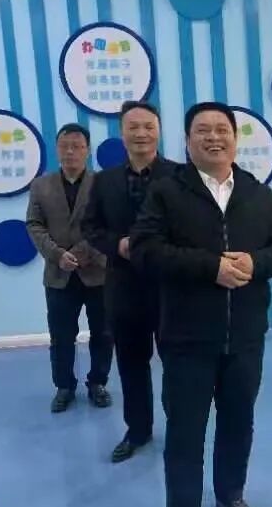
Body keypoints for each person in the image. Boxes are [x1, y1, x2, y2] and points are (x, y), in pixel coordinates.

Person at [130, 102, 272, 507]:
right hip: (186, 341)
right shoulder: (166, 192)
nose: (213, 137)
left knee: (238, 425)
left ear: (235, 139)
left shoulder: (257, 193)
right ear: (187, 141)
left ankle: (231, 494)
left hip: (245, 340)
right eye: (202, 130)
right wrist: (211, 267)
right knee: (184, 433)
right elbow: (144, 249)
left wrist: (255, 263)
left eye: (222, 130)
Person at [81, 101, 177, 462]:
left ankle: (180, 429)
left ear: (159, 131)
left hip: (171, 288)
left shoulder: (180, 176)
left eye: (148, 126)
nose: (141, 133)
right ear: (121, 133)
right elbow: (91, 227)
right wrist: (116, 244)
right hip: (124, 288)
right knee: (132, 365)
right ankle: (137, 431)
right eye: (133, 127)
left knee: (177, 364)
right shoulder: (104, 180)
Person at [26, 124, 113, 413]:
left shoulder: (103, 184)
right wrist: (57, 254)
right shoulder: (41, 186)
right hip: (58, 274)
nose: (70, 151)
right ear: (57, 149)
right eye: (64, 146)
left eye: (77, 146)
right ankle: (64, 386)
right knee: (61, 336)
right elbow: (34, 224)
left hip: (98, 273)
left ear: (88, 150)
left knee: (103, 333)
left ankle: (98, 382)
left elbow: (109, 225)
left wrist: (82, 252)